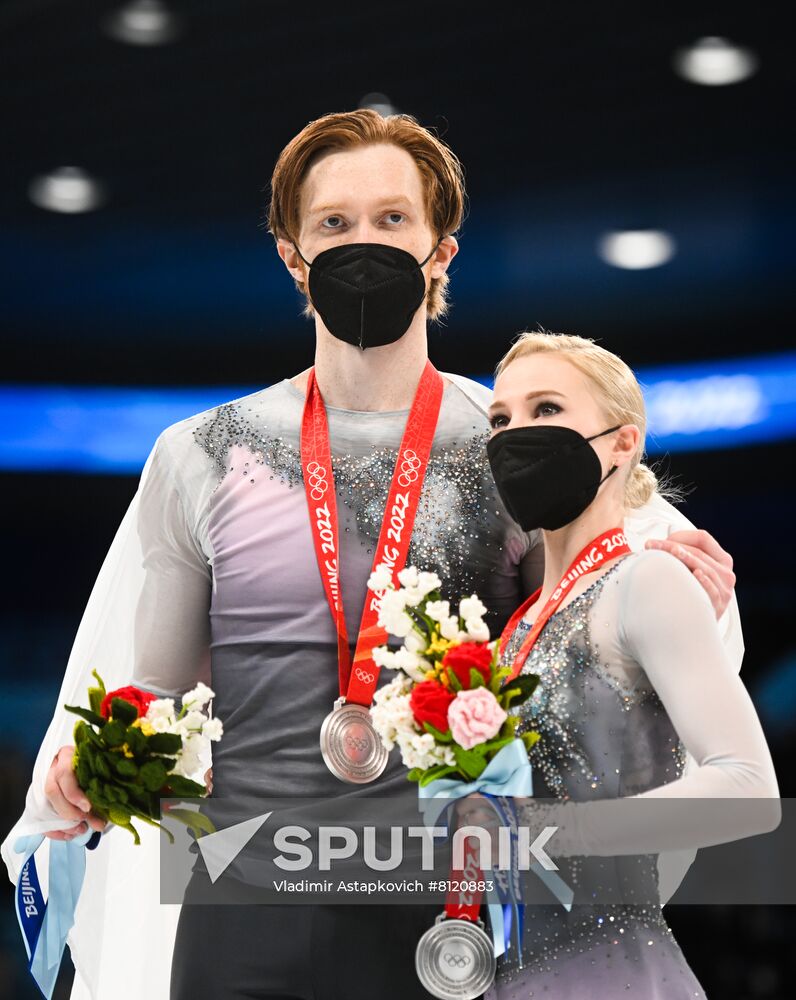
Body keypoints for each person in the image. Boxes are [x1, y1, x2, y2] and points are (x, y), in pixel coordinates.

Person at [2, 110, 741, 1000]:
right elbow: (156, 703)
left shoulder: (507, 450)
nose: (364, 243)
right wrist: (94, 769)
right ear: (293, 256)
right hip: (240, 913)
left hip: (449, 921)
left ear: (441, 252)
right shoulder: (200, 453)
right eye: (334, 223)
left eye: (393, 219)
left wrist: (675, 592)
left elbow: (584, 656)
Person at [463, 331, 780, 999]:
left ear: (622, 442)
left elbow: (749, 789)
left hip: (616, 975)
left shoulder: (648, 580)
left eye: (547, 408)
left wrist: (550, 832)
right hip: (510, 975)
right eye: (500, 419)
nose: (516, 434)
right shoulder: (513, 635)